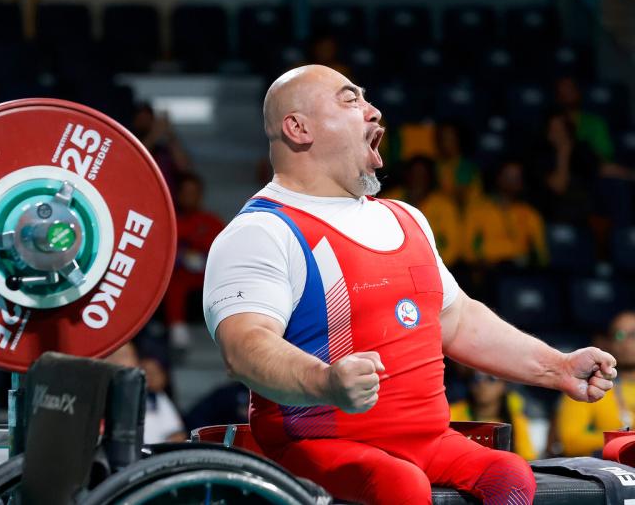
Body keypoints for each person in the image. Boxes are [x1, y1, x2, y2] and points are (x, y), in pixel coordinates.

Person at [202, 64, 617, 504]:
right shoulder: (263, 230)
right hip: (315, 446)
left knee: (509, 474)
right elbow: (244, 348)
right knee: (400, 484)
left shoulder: (407, 218)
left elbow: (458, 320)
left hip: (428, 441)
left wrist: (558, 367)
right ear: (298, 128)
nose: (374, 111)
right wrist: (324, 382)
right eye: (350, 99)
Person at [554, 311, 635, 457]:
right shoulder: (588, 384)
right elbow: (570, 441)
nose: (627, 342)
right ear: (609, 342)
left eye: (633, 335)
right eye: (620, 335)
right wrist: (624, 439)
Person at [163, 173, 225, 349]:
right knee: (175, 280)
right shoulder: (169, 220)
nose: (190, 197)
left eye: (194, 192)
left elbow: (224, 254)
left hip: (207, 279)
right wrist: (182, 257)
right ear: (178, 194)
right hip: (178, 279)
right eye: (186, 192)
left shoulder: (212, 222)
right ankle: (177, 328)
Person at [449, 371, 537, 460]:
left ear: (503, 385)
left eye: (491, 379)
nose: (482, 384)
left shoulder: (517, 421)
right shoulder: (451, 413)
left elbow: (527, 459)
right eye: (477, 378)